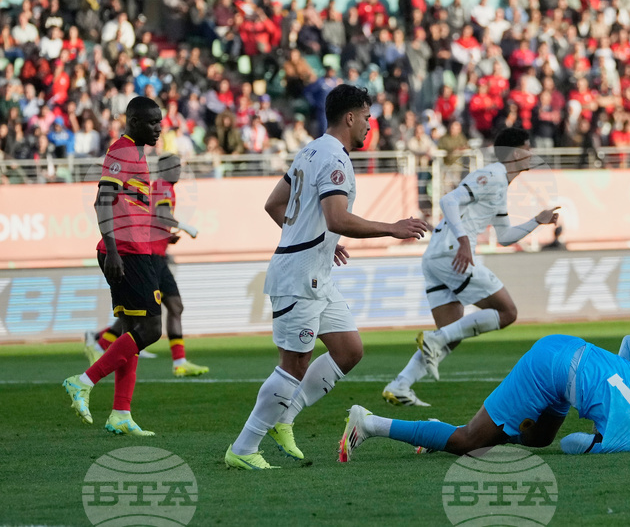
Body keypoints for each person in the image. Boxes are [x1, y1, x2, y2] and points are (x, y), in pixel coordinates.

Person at [224, 85, 429, 470]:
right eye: (367, 117)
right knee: (293, 364)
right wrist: (392, 228)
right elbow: (337, 218)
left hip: (316, 270)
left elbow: (275, 204)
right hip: (299, 276)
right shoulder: (335, 158)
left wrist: (317, 238)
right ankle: (244, 446)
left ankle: (285, 417)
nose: (371, 125)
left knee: (349, 349)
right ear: (350, 117)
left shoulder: (310, 150)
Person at [381, 127, 560, 407]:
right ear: (515, 153)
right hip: (453, 253)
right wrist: (464, 241)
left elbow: (504, 237)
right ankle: (433, 339)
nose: (532, 154)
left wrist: (537, 220)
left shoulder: (501, 185)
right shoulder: (492, 175)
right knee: (507, 311)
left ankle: (400, 384)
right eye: (528, 147)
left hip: (436, 257)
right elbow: (448, 200)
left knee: (451, 334)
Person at [341, 334, 630, 460]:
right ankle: (370, 423)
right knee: (469, 443)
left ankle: (441, 430)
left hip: (569, 350)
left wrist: (613, 376)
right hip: (548, 371)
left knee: (540, 437)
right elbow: (575, 444)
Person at [62, 97, 164, 436]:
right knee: (151, 329)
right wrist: (115, 250)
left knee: (131, 330)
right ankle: (83, 381)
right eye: (151, 122)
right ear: (133, 121)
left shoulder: (136, 154)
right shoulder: (122, 151)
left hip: (136, 249)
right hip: (126, 251)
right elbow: (102, 201)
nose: (158, 128)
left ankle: (120, 412)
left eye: (159, 122)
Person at [84, 154, 209, 377]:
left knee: (164, 308)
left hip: (154, 253)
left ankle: (177, 361)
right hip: (151, 257)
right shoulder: (162, 187)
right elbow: (162, 215)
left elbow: (153, 220)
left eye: (180, 166)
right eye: (174, 166)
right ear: (163, 169)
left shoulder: (159, 187)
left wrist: (166, 236)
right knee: (147, 315)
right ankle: (101, 345)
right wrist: (187, 227)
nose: (178, 170)